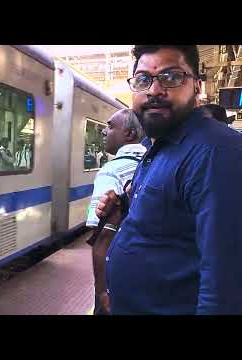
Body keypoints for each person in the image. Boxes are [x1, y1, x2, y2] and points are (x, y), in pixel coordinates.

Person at [96, 45, 242, 314]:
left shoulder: (216, 152)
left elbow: (225, 277)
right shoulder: (161, 145)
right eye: (143, 79)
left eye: (171, 77)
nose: (153, 90)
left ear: (197, 86)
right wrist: (124, 210)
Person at [86, 109, 146, 315]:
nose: (104, 131)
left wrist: (103, 291)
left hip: (117, 278)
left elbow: (102, 235)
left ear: (129, 134)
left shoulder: (111, 170)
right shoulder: (156, 163)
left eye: (110, 126)